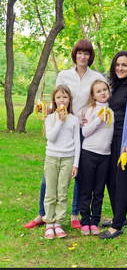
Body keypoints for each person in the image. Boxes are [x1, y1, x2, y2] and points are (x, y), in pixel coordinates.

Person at [23, 39, 106, 230]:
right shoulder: (64, 75)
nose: (83, 56)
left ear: (90, 56)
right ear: (75, 54)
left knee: (78, 173)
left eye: (86, 53)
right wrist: (49, 114)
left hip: (83, 131)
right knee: (49, 176)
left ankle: (75, 214)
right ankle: (43, 214)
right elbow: (56, 98)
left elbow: (101, 97)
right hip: (62, 126)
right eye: (79, 53)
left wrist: (90, 115)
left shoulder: (96, 76)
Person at [99, 50, 127, 239]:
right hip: (111, 140)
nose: (120, 68)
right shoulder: (114, 86)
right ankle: (120, 217)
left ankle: (117, 225)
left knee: (122, 183)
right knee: (111, 180)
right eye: (118, 65)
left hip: (126, 143)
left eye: (124, 65)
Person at [43, 85, 80, 239]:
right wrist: (59, 120)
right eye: (58, 97)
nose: (62, 100)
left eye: (65, 97)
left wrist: (75, 164)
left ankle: (58, 222)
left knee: (62, 192)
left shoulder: (74, 120)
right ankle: (49, 222)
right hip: (52, 158)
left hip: (68, 159)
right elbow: (51, 137)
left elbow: (77, 143)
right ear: (54, 100)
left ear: (69, 99)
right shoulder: (50, 118)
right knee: (50, 192)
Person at [79, 80, 114, 236]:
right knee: (87, 189)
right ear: (93, 96)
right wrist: (99, 119)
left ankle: (95, 221)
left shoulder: (111, 112)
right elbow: (85, 132)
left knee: (99, 191)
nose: (102, 93)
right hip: (89, 153)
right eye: (98, 91)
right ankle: (85, 221)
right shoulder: (91, 110)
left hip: (105, 156)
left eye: (104, 90)